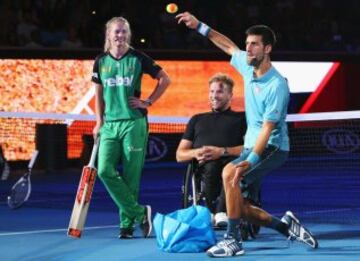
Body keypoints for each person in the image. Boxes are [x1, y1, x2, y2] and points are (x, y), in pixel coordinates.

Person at [176, 12, 318, 257]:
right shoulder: (247, 65)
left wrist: (249, 160)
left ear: (267, 49)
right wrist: (199, 26)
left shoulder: (277, 85)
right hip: (251, 145)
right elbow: (227, 45)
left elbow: (268, 129)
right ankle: (285, 226)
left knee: (229, 173)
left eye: (254, 45)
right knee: (237, 205)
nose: (248, 49)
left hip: (272, 147)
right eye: (247, 44)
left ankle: (232, 240)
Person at [92, 17, 170, 239]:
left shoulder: (138, 58)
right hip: (109, 125)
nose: (120, 36)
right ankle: (139, 213)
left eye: (124, 32)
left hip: (134, 123)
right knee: (105, 170)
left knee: (131, 177)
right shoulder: (100, 61)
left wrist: (148, 102)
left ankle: (126, 225)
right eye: (116, 32)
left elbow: (165, 79)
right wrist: (99, 121)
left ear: (129, 34)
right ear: (109, 35)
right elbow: (98, 95)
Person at [176, 73, 246, 227]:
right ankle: (214, 212)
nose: (214, 95)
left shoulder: (242, 119)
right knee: (211, 164)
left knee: (227, 167)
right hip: (204, 166)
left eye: (219, 92)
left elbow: (250, 149)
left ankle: (220, 211)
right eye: (212, 91)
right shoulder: (197, 119)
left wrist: (222, 151)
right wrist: (196, 152)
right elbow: (180, 155)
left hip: (232, 164)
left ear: (230, 95)